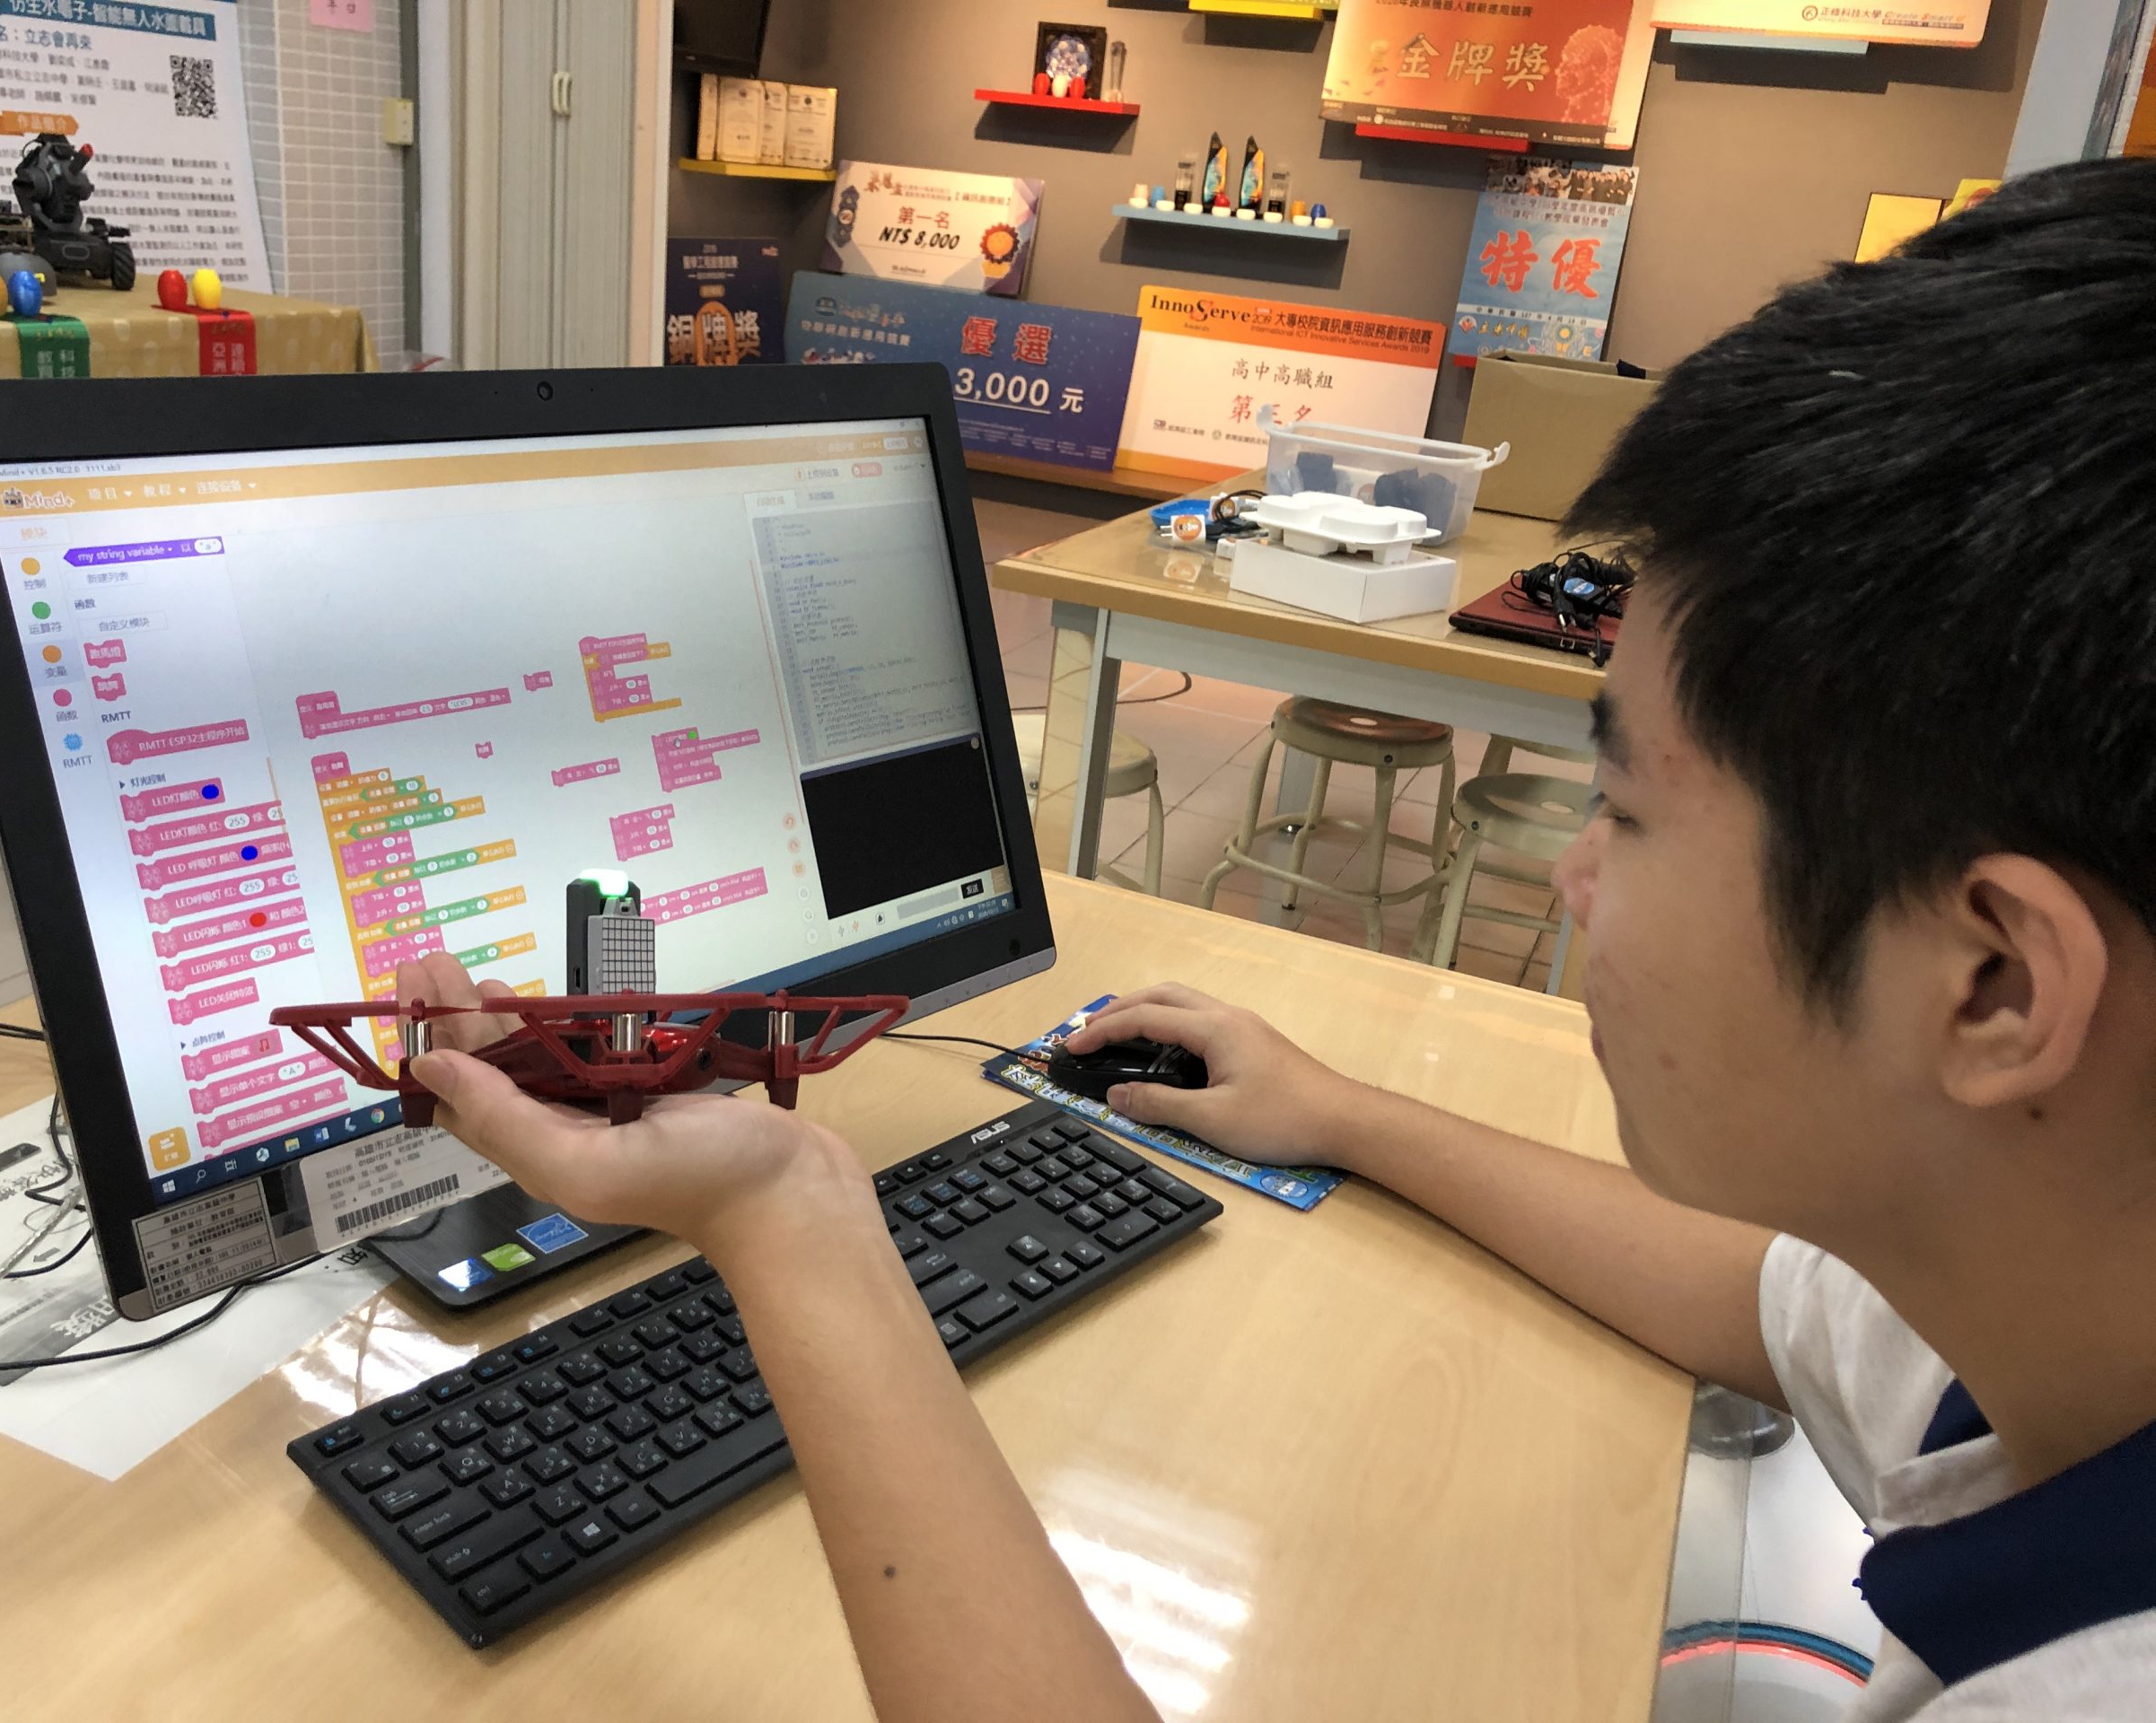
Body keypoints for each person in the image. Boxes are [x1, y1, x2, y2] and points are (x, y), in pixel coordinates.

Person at [399, 158, 2156, 1720]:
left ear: (1995, 982)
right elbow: (1775, 1305)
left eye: (1622, 810)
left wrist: (791, 1214)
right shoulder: (2051, 1284)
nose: (1571, 880)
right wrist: (1346, 1114)